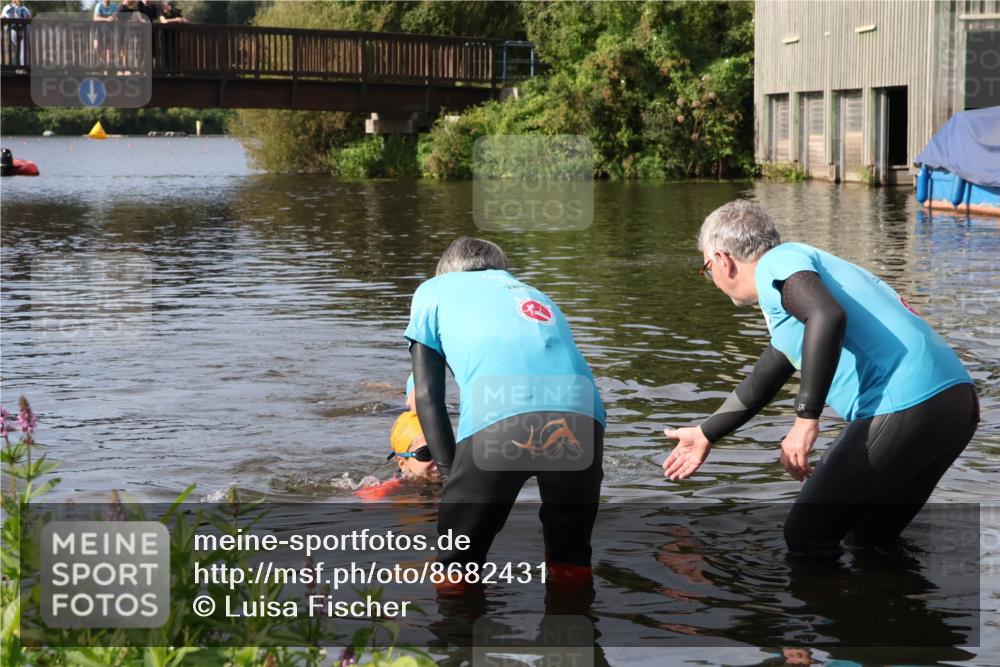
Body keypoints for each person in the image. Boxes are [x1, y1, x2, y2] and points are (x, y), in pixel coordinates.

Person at [662, 200, 979, 556]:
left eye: (707, 268)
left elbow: (826, 317)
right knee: (868, 539)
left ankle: (815, 611)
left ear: (722, 259)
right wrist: (706, 433)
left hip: (907, 403)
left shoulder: (776, 264)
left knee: (806, 534)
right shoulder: (798, 289)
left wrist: (805, 419)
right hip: (956, 405)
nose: (713, 280)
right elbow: (761, 381)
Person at [406, 236, 606, 580]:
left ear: (445, 271)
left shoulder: (432, 290)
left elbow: (426, 396)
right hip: (582, 414)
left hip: (499, 411)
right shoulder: (532, 293)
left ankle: (455, 628)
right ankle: (575, 622)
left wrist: (450, 474)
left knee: (458, 563)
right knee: (570, 557)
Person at [2, 0, 31, 68]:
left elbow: (1, 17)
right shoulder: (24, 8)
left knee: (18, 49)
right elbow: (29, 17)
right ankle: (22, 68)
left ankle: (16, 66)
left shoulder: (7, 7)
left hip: (13, 30)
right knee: (23, 50)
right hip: (24, 30)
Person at [92, 0, 117, 70]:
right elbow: (95, 18)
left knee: (109, 49)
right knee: (96, 47)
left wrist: (113, 17)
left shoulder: (114, 5)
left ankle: (108, 66)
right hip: (99, 29)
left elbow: (115, 16)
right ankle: (104, 63)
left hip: (109, 30)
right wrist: (106, 19)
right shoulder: (99, 5)